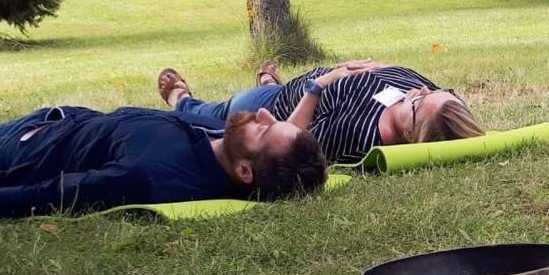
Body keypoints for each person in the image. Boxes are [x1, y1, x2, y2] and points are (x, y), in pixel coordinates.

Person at [0, 105, 325, 221]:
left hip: (11, 156)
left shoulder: (151, 176)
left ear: (245, 171)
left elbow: (51, 195)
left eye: (264, 129)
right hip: (61, 121)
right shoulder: (220, 141)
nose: (263, 114)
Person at [158, 58, 486, 165]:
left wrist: (319, 86)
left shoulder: (357, 135)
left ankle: (180, 98)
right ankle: (270, 79)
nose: (420, 90)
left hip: (270, 106)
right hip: (304, 82)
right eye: (436, 90)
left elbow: (291, 135)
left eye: (418, 102)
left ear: (412, 134)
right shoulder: (432, 102)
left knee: (213, 112)